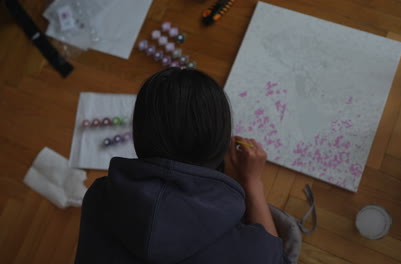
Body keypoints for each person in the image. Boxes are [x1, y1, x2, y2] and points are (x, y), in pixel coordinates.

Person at [75, 68, 290, 263]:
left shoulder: (100, 197)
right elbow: (278, 258)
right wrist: (252, 182)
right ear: (223, 147)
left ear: (139, 137)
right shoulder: (252, 254)